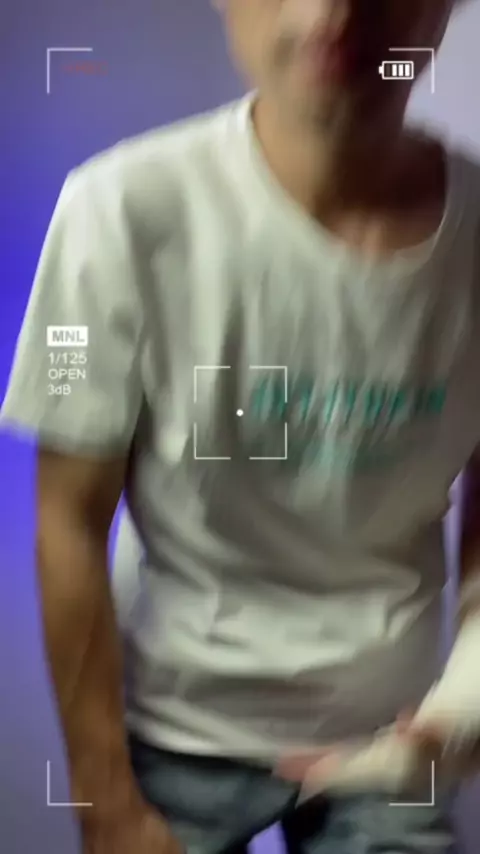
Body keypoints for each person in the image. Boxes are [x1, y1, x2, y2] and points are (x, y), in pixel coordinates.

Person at [2, 0, 480, 851]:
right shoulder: (114, 214)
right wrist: (104, 800)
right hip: (176, 728)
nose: (333, 12)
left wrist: (461, 710)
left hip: (391, 728)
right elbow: (66, 518)